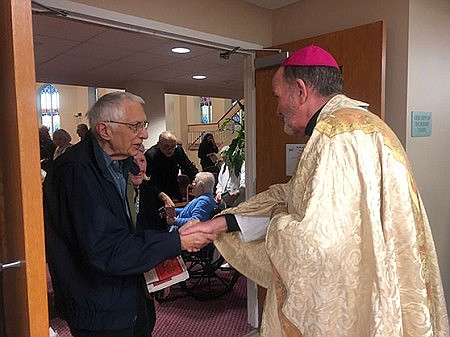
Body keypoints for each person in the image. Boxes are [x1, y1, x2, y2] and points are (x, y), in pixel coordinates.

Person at [180, 46, 449, 336]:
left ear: (300, 90)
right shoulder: (368, 126)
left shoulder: (334, 137)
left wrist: (280, 217)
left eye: (277, 96)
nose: (277, 109)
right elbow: (291, 194)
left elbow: (315, 243)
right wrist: (221, 222)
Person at [43, 91, 214, 337]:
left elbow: (134, 225)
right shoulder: (76, 172)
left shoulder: (119, 164)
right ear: (104, 130)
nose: (144, 134)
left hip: (128, 292)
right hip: (99, 307)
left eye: (143, 125)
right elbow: (107, 247)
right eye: (136, 126)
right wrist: (178, 240)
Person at [128, 145, 174, 232]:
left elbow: (156, 227)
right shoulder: (117, 193)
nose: (139, 168)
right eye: (133, 162)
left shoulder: (148, 191)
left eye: (142, 161)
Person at [144, 131, 198, 201]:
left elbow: (189, 168)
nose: (170, 149)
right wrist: (162, 196)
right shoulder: (150, 155)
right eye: (166, 146)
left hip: (173, 187)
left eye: (173, 146)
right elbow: (148, 181)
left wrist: (196, 179)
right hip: (155, 191)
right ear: (159, 144)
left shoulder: (178, 151)